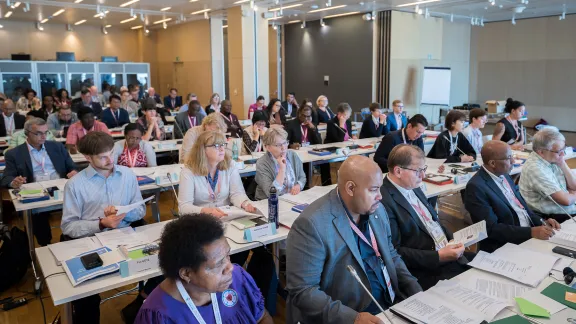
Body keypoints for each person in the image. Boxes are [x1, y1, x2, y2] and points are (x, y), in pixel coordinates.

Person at [286, 156, 422, 323]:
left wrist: (415, 289)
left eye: (380, 189)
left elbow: (391, 254)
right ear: (350, 188)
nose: (380, 196)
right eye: (373, 190)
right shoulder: (311, 225)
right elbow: (304, 291)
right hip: (349, 312)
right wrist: (353, 318)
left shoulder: (376, 209)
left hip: (391, 300)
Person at [60, 131, 146, 324]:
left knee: (167, 265)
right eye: (103, 157)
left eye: (112, 153)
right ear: (87, 157)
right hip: (89, 242)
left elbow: (140, 209)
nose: (110, 160)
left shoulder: (127, 175)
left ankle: (140, 308)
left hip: (125, 235)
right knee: (86, 297)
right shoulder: (75, 185)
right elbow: (68, 227)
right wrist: (101, 223)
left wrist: (124, 214)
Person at [134, 214, 274, 324]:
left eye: (228, 255)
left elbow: (262, 318)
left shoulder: (237, 279)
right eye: (218, 264)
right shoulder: (158, 315)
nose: (230, 268)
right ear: (186, 274)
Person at [381, 145, 473, 289]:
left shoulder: (413, 185)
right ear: (398, 171)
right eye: (418, 171)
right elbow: (395, 252)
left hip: (446, 253)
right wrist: (439, 256)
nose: (423, 176)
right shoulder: (383, 201)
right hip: (427, 269)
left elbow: (433, 221)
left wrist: (453, 239)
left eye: (424, 169)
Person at [465, 140, 560, 253]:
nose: (513, 161)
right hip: (505, 246)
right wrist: (531, 232)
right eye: (509, 158)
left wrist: (542, 222)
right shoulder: (476, 187)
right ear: (492, 163)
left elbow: (522, 208)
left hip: (527, 234)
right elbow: (491, 229)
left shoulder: (504, 175)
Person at [0, 117, 77, 246]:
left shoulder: (57, 146)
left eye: (45, 132)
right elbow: (6, 177)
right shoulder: (14, 154)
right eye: (38, 133)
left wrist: (73, 172)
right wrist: (14, 182)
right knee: (38, 219)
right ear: (27, 134)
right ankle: (44, 245)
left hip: (60, 188)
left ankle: (70, 240)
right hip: (36, 192)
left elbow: (71, 166)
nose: (43, 136)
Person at [178, 130, 256, 215]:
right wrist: (206, 211)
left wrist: (245, 203)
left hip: (226, 215)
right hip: (200, 219)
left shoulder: (230, 165)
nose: (222, 149)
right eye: (216, 145)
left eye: (223, 144)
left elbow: (237, 193)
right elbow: (184, 207)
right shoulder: (188, 171)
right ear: (203, 149)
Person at [519, 126, 576, 223]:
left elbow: (574, 185)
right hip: (555, 217)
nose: (563, 154)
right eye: (559, 151)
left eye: (564, 149)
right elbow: (565, 201)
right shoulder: (535, 168)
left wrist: (562, 164)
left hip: (570, 208)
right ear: (541, 152)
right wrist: (572, 193)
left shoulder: (554, 158)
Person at [255, 128, 306, 200]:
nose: (283, 148)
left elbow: (302, 177)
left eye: (285, 143)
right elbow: (271, 193)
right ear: (268, 147)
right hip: (269, 203)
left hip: (291, 199)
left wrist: (299, 185)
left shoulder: (293, 155)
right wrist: (282, 169)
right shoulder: (262, 163)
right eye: (278, 145)